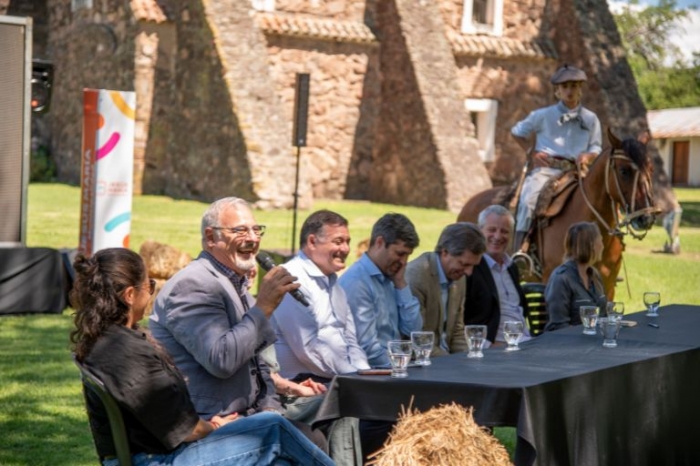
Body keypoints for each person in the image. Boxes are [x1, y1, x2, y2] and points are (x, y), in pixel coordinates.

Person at [70, 247, 333, 466]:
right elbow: (185, 430)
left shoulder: (108, 340)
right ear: (129, 295)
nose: (150, 293)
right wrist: (212, 427)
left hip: (155, 453)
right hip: (157, 460)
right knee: (273, 427)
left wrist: (209, 424)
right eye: (149, 285)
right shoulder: (125, 352)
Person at [149, 197, 326, 450]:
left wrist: (274, 405)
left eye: (256, 230)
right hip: (212, 425)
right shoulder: (193, 285)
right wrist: (263, 307)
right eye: (240, 230)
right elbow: (221, 360)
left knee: (336, 408)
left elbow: (257, 362)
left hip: (252, 413)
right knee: (312, 440)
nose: (252, 238)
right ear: (211, 237)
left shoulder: (235, 282)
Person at [271, 209, 370, 465]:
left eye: (347, 241)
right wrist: (354, 378)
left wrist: (364, 374)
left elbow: (351, 340)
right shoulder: (292, 278)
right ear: (312, 241)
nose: (346, 249)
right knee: (346, 402)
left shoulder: (334, 284)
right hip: (296, 387)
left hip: (333, 379)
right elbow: (308, 347)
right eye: (338, 241)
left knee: (378, 406)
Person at [511, 64, 602, 251]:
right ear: (557, 91)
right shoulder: (542, 115)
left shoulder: (591, 118)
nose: (569, 91)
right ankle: (520, 251)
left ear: (580, 89)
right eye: (565, 86)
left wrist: (588, 155)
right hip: (546, 171)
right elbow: (517, 131)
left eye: (574, 86)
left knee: (600, 202)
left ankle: (603, 248)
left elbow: (596, 146)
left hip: (577, 173)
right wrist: (531, 152)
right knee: (528, 202)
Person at [338, 213, 422, 368]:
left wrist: (401, 284)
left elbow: (414, 331)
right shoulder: (358, 283)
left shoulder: (392, 277)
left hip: (394, 366)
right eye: (400, 254)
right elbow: (367, 348)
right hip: (374, 372)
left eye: (407, 255)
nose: (404, 262)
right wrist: (401, 367)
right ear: (379, 242)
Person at [405, 222, 486, 356]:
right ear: (445, 252)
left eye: (473, 265)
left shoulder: (458, 276)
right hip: (423, 360)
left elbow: (457, 332)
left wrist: (470, 358)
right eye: (464, 264)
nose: (469, 272)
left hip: (445, 358)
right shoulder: (417, 277)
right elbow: (418, 340)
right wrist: (451, 362)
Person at [464, 205, 531, 345]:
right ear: (480, 231)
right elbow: (461, 320)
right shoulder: (471, 268)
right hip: (495, 347)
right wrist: (488, 345)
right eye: (492, 230)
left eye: (504, 231)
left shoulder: (511, 267)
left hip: (525, 341)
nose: (498, 236)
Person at [544, 221, 608, 331]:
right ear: (591, 245)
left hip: (595, 338)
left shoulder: (595, 275)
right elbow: (558, 326)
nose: (603, 246)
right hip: (568, 340)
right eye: (600, 241)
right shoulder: (561, 278)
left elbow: (604, 316)